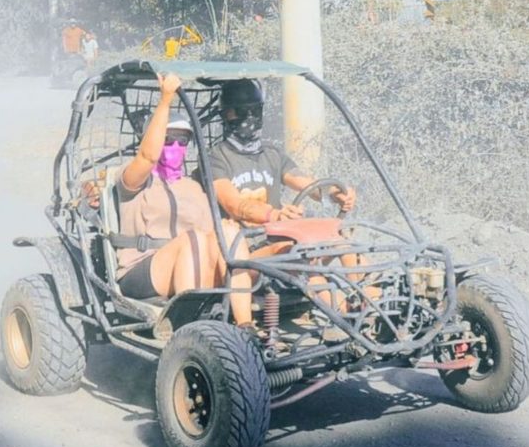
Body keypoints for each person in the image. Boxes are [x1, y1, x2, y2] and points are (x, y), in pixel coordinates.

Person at [111, 74, 254, 327]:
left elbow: (216, 236)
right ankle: (187, 328)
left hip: (195, 266)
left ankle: (247, 326)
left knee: (230, 233)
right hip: (143, 268)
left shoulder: (194, 185)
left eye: (182, 141)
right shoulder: (134, 180)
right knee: (193, 238)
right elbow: (147, 156)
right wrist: (166, 99)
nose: (175, 146)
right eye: (168, 140)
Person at [209, 78, 356, 229]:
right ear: (225, 115)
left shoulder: (272, 155)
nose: (250, 117)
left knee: (339, 245)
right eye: (241, 111)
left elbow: (308, 186)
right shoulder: (215, 158)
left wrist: (334, 194)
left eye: (256, 111)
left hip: (276, 238)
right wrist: (274, 215)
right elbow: (233, 205)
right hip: (240, 244)